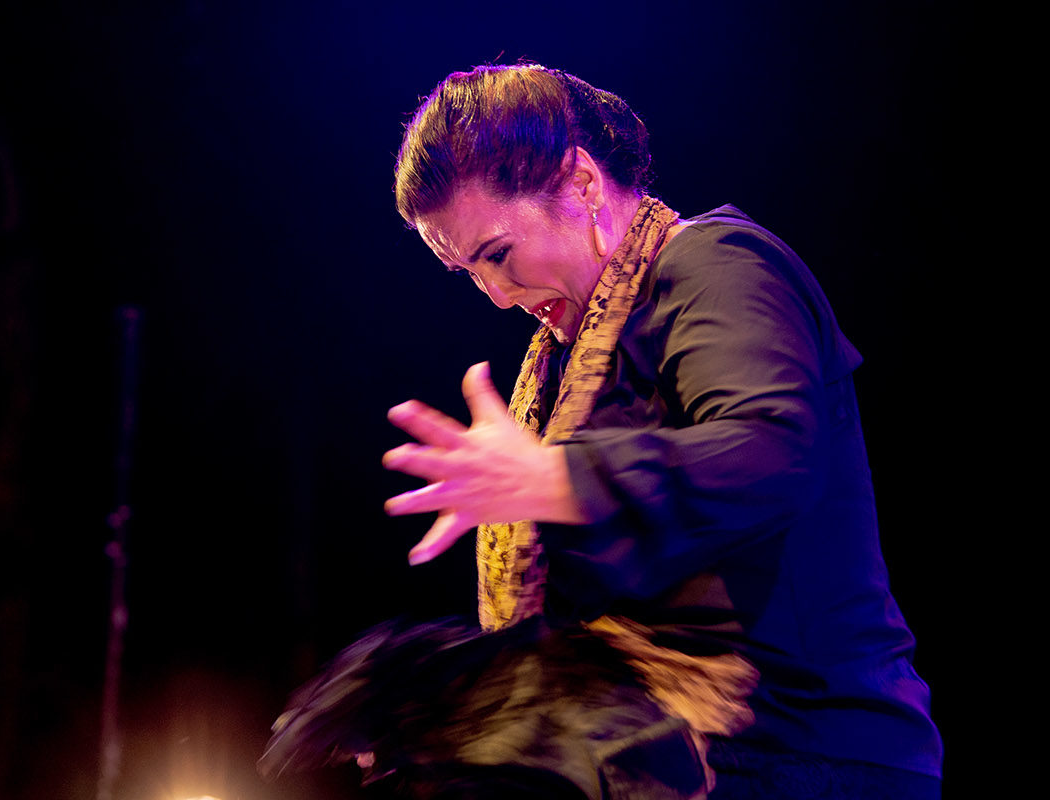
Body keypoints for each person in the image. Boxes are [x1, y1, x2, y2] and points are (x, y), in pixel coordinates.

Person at [262, 64, 941, 799]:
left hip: (805, 759)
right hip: (680, 758)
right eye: (467, 272)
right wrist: (439, 705)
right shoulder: (567, 364)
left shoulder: (718, 267)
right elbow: (603, 630)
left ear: (581, 183)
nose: (496, 295)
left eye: (495, 254)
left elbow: (770, 451)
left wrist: (556, 480)